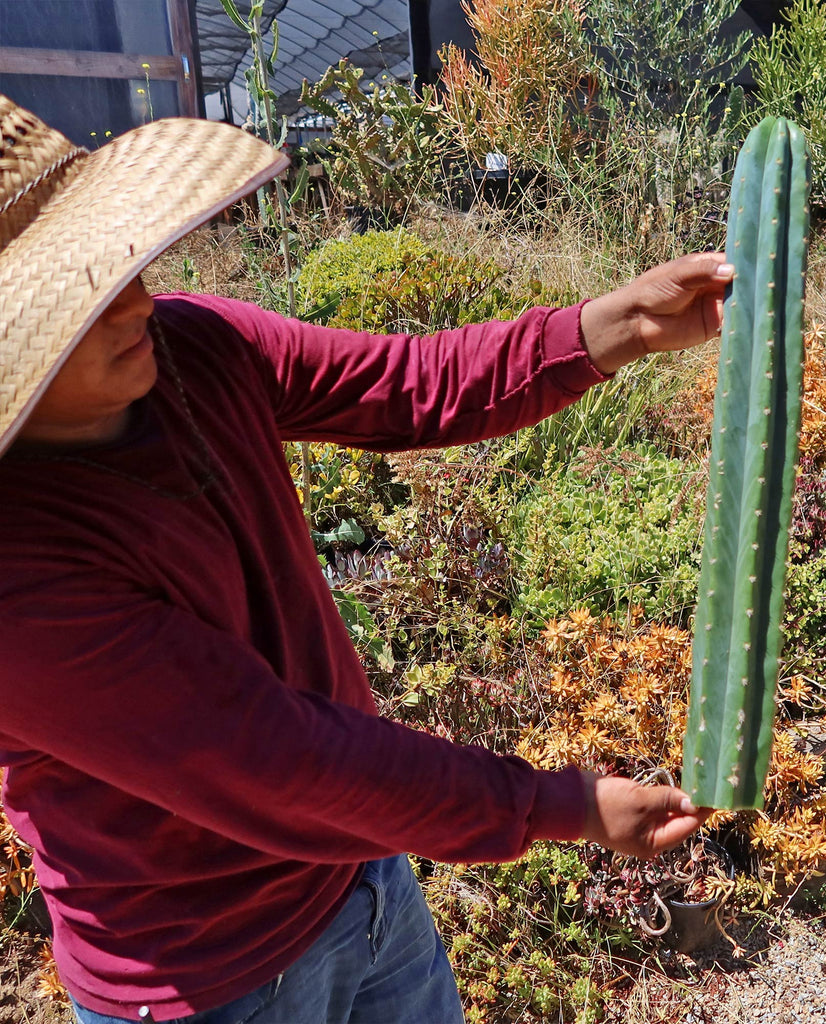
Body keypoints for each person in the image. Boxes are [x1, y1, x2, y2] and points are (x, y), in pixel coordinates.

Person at [0, 95, 733, 1024]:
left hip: (362, 884)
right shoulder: (19, 582)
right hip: (206, 977)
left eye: (119, 261)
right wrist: (560, 805)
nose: (137, 297)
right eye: (81, 293)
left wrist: (618, 324)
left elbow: (399, 386)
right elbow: (277, 758)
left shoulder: (189, 346)